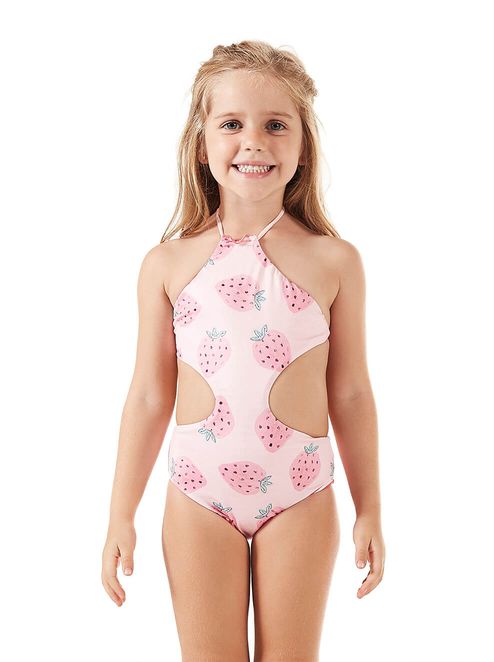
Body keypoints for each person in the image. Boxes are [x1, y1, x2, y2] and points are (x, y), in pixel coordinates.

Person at [101, 39, 385, 661]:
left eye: (275, 125)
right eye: (231, 124)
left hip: (299, 493)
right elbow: (148, 395)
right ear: (202, 145)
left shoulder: (335, 262)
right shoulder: (165, 265)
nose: (253, 141)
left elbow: (350, 392)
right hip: (199, 494)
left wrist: (370, 508)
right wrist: (121, 512)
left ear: (302, 147)